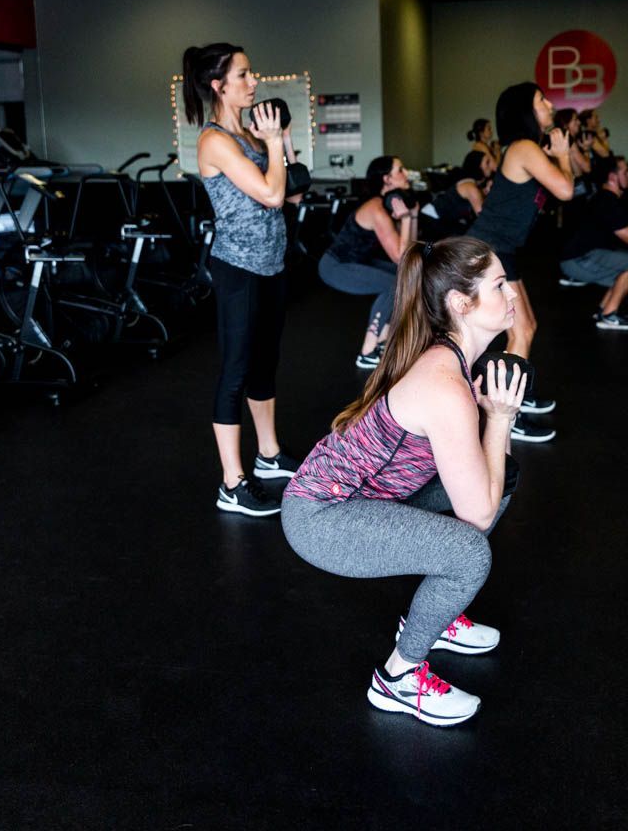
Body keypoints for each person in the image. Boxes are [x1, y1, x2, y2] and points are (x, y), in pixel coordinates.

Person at [282, 236, 523, 727]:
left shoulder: (454, 359)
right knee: (468, 554)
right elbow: (477, 512)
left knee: (506, 477)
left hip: (366, 498)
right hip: (321, 518)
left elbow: (486, 482)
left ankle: (437, 616)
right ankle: (399, 677)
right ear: (461, 303)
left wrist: (496, 420)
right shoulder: (445, 383)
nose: (512, 293)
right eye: (499, 285)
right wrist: (499, 419)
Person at [185, 42, 303, 517]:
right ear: (219, 86)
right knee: (235, 370)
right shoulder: (215, 141)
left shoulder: (253, 138)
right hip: (238, 269)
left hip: (271, 264)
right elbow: (274, 195)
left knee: (264, 363)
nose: (254, 82)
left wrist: (281, 140)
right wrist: (275, 147)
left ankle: (269, 454)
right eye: (245, 75)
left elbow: (293, 191)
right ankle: (232, 483)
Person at [468, 82, 576, 437]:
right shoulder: (525, 147)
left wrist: (562, 154)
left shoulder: (527, 148)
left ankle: (518, 397)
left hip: (501, 248)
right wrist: (563, 153)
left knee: (525, 328)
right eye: (541, 99)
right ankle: (508, 417)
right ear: (526, 111)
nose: (549, 103)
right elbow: (565, 189)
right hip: (491, 248)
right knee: (520, 331)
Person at [318, 155, 417, 368]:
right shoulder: (377, 209)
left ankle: (383, 340)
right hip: (336, 266)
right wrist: (407, 219)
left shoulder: (389, 205)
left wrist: (412, 216)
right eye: (400, 170)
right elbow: (400, 256)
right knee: (394, 283)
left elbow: (409, 248)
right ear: (387, 179)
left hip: (357, 261)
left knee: (405, 276)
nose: (406, 173)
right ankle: (367, 351)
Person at [559, 156, 628, 330]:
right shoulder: (607, 202)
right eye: (625, 172)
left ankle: (603, 311)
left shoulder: (606, 198)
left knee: (623, 273)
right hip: (578, 259)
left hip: (578, 257)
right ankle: (610, 316)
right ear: (612, 177)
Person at [421, 149, 492, 239]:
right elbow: (483, 217)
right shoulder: (471, 188)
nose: (490, 166)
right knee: (468, 238)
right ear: (478, 165)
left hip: (439, 218)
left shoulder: (471, 183)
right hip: (432, 218)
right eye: (487, 163)